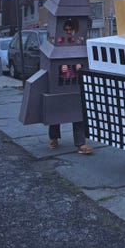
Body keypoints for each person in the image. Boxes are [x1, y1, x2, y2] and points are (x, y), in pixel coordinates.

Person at [48, 18, 93, 154]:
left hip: (74, 82)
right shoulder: (57, 41)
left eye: (70, 30)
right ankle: (53, 138)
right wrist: (61, 67)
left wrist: (78, 66)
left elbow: (81, 58)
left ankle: (80, 144)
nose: (68, 32)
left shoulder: (77, 41)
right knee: (55, 113)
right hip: (59, 83)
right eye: (66, 30)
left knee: (77, 114)